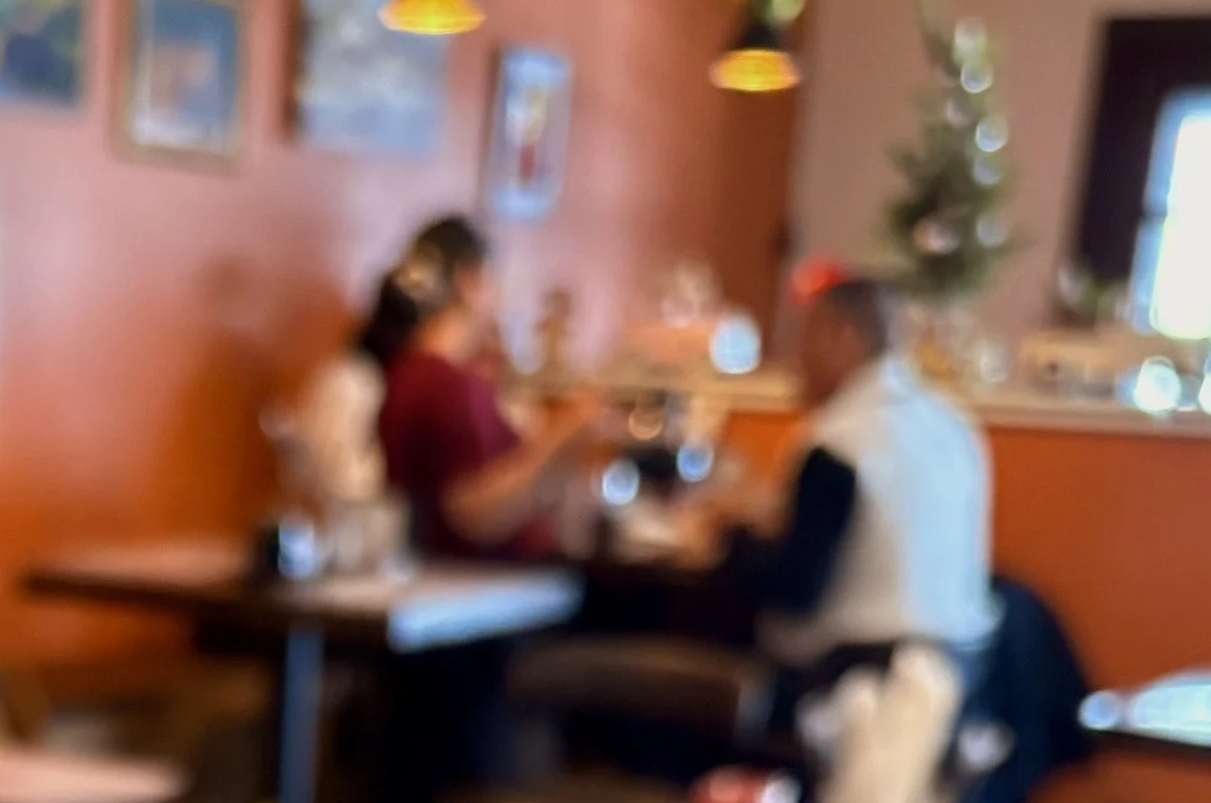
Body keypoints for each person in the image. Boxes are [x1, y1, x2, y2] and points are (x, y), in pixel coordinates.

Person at [684, 271, 994, 708]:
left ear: (842, 336)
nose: (797, 358)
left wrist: (726, 539)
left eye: (806, 337)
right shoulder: (954, 425)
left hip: (856, 681)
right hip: (961, 677)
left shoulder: (841, 440)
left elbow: (797, 591)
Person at [373, 216, 607, 560]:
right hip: (479, 586)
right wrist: (563, 433)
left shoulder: (408, 370)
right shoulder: (446, 383)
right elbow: (471, 514)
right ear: (470, 281)